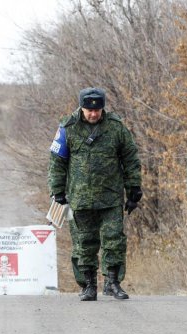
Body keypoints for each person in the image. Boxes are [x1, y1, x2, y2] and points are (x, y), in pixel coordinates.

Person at [48, 87, 142, 301]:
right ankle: (89, 285)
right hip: (80, 199)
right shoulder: (67, 128)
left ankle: (113, 282)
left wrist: (134, 188)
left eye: (97, 110)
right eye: (89, 110)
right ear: (81, 108)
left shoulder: (116, 128)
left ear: (103, 108)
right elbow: (56, 163)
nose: (93, 114)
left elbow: (130, 159)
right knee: (84, 242)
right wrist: (57, 192)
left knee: (114, 240)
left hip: (111, 198)